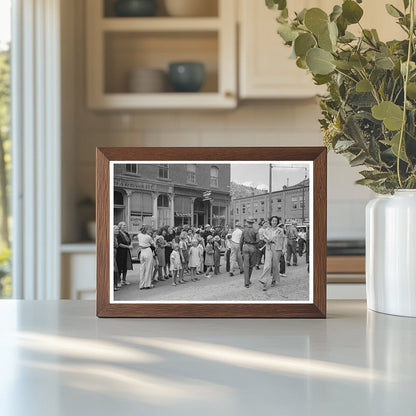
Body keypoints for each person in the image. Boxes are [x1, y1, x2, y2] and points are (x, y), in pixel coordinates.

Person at [262, 216, 285, 291]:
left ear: (277, 222)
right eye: (273, 221)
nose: (274, 222)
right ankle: (264, 282)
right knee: (267, 265)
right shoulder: (266, 230)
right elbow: (263, 238)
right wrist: (266, 240)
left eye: (276, 221)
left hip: (277, 248)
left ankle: (274, 280)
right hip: (269, 248)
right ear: (270, 221)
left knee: (275, 265)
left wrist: (284, 249)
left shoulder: (280, 230)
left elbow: (284, 239)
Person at [241, 217, 259, 288]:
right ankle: (248, 280)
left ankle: (246, 282)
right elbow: (258, 240)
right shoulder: (255, 230)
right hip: (252, 247)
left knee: (246, 265)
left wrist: (240, 249)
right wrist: (254, 244)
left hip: (245, 247)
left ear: (247, 222)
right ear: (253, 223)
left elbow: (241, 241)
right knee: (251, 265)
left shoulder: (244, 230)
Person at [137, 225, 155, 290]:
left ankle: (141, 285)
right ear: (147, 230)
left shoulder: (139, 235)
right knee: (148, 268)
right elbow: (153, 244)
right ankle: (147, 284)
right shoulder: (148, 237)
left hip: (142, 251)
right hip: (147, 250)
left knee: (142, 268)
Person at [116, 221, 133, 286]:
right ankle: (118, 280)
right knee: (120, 265)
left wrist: (130, 245)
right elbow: (119, 244)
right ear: (120, 226)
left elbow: (130, 240)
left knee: (125, 266)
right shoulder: (118, 234)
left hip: (126, 252)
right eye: (123, 225)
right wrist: (128, 247)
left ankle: (124, 279)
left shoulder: (126, 233)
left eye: (125, 225)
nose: (125, 226)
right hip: (121, 252)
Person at [113, 225, 121, 291]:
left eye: (118, 229)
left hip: (115, 253)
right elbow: (116, 245)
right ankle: (114, 285)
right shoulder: (112, 237)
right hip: (112, 253)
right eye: (116, 229)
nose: (117, 230)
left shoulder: (115, 237)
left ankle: (115, 285)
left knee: (115, 269)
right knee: (114, 269)